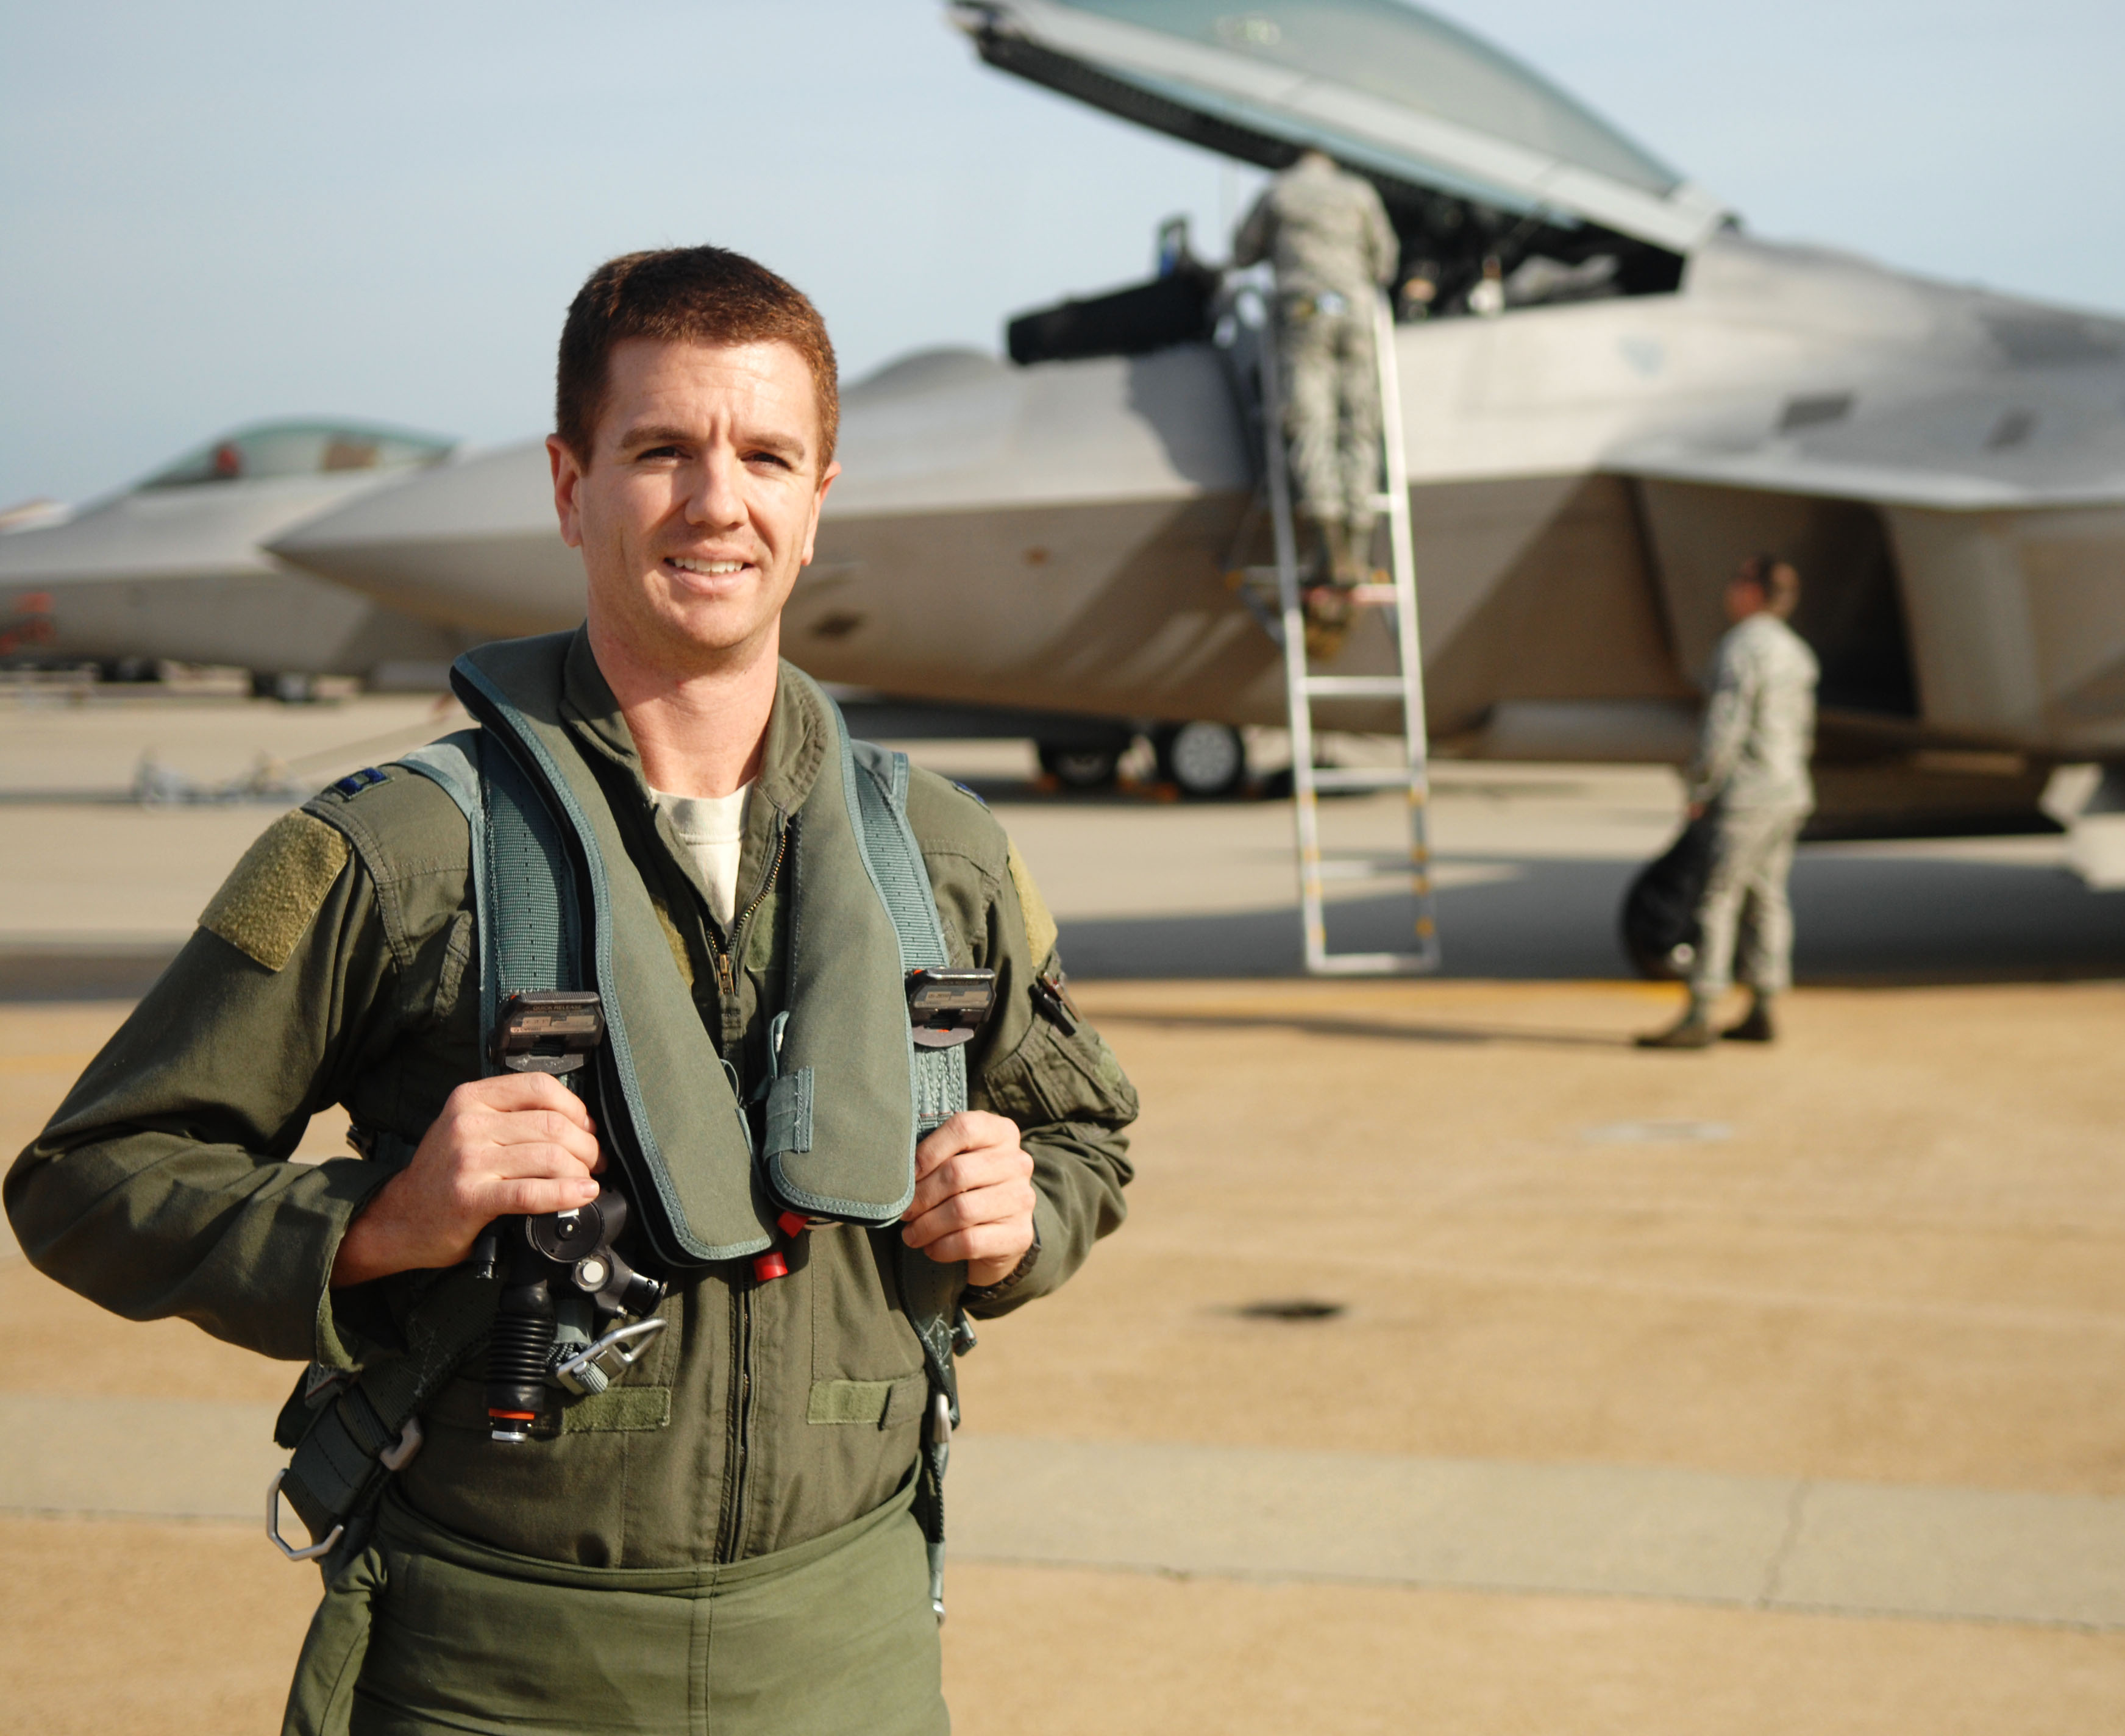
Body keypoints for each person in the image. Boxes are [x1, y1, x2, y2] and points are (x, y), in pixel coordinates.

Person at [5, 246, 1136, 1734]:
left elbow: (1086, 1140)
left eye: (765, 455)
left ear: (816, 499)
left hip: (846, 1653)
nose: (715, 500)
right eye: (659, 449)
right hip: (496, 1663)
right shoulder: (399, 847)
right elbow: (90, 1176)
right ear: (570, 483)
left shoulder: (941, 851)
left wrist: (1023, 1212)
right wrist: (379, 1224)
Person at [1639, 555, 1821, 1050]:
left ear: (1753, 592)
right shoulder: (1797, 652)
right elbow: (1804, 730)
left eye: (1738, 580)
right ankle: (1764, 1003)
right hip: (1789, 789)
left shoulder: (1741, 648)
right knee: (1768, 895)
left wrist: (1701, 788)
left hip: (1747, 793)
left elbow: (1725, 725)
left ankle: (1701, 1008)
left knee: (1716, 897)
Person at [1233, 149, 1400, 639]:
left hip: (1305, 315)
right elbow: (1385, 262)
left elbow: (1244, 252)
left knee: (1311, 425)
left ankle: (1332, 549)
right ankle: (1360, 542)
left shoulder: (1279, 191)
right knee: (1360, 426)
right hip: (1357, 315)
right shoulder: (1360, 192)